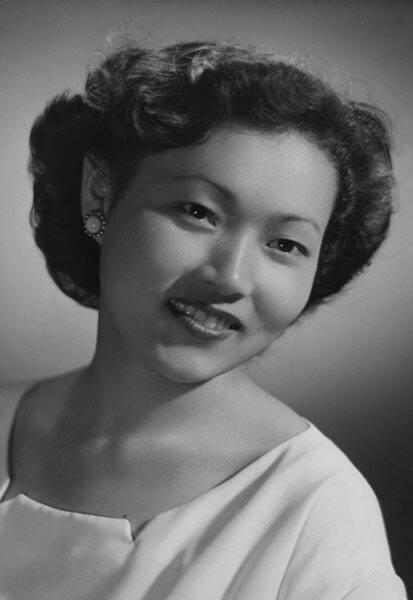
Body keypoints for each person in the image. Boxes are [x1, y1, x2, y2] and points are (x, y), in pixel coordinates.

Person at [0, 40, 407, 599]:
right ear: (100, 192)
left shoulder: (316, 512)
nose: (232, 277)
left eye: (286, 244)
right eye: (198, 212)